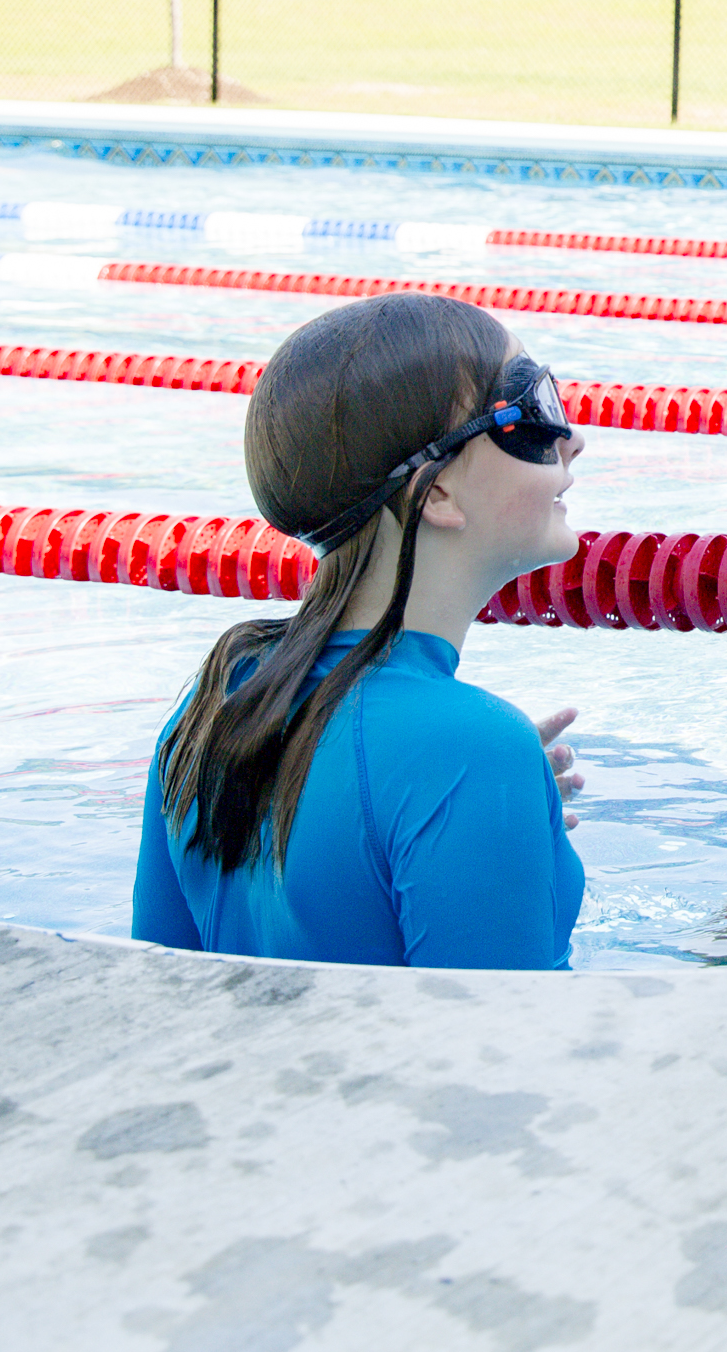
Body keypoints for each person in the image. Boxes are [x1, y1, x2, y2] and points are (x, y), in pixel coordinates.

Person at [133, 294, 590, 967]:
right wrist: (483, 783)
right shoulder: (475, 748)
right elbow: (507, 1059)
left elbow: (155, 995)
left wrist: (496, 817)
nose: (573, 438)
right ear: (435, 494)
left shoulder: (217, 708)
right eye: (533, 406)